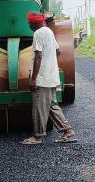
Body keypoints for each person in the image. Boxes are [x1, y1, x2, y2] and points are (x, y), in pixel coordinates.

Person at [22, 11, 76, 146]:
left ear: (34, 22)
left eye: (29, 22)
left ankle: (38, 136)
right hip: (51, 76)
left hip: (43, 77)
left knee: (39, 107)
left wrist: (34, 78)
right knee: (52, 105)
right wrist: (50, 64)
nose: (29, 25)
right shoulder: (49, 32)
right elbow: (57, 52)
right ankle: (67, 130)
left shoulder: (38, 33)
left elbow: (38, 56)